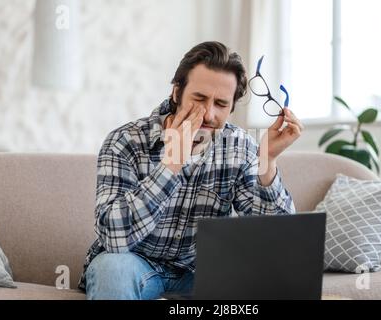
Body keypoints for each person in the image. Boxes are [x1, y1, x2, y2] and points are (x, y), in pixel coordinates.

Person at [79, 41, 304, 300]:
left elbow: (277, 241)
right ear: (176, 93)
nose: (208, 114)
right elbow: (114, 238)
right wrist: (172, 163)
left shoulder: (239, 146)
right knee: (112, 268)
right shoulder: (125, 142)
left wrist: (267, 161)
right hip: (133, 265)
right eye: (199, 99)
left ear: (231, 107)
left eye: (221, 104)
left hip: (203, 271)